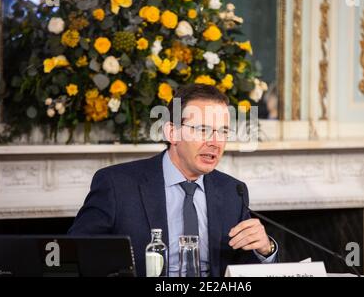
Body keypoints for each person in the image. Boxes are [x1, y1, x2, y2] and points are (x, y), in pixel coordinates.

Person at [68, 84, 278, 276]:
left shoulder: (232, 190)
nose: (215, 142)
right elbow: (74, 256)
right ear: (172, 132)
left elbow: (241, 270)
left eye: (222, 132)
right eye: (203, 130)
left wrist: (265, 250)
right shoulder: (117, 185)